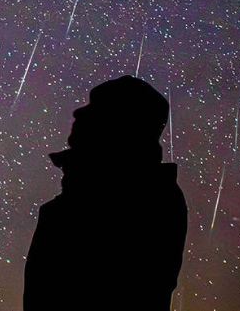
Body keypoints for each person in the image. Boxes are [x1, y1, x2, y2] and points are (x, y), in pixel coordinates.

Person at [24, 76, 187, 310]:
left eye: (96, 109)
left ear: (122, 125)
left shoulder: (145, 201)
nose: (79, 113)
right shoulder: (85, 197)